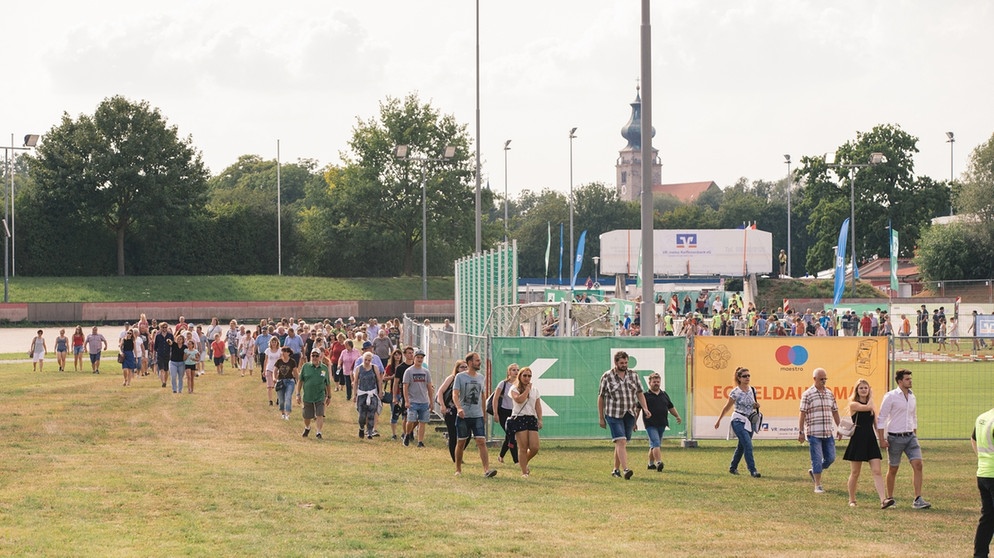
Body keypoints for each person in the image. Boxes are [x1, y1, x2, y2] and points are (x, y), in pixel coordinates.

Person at [876, 368, 931, 509]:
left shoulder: (913, 396)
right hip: (895, 437)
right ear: (900, 381)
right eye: (907, 379)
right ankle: (890, 498)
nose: (910, 381)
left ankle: (918, 499)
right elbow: (881, 418)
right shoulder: (890, 396)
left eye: (910, 378)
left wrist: (914, 433)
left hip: (910, 437)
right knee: (893, 468)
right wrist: (881, 439)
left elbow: (913, 416)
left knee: (918, 465)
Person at [598, 351, 652, 480]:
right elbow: (601, 397)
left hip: (629, 413)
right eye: (621, 363)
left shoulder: (633, 375)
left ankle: (615, 469)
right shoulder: (607, 376)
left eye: (626, 362)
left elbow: (639, 393)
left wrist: (645, 408)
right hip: (613, 413)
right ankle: (626, 469)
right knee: (621, 440)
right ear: (616, 363)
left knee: (621, 442)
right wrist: (601, 417)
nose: (624, 365)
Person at [842, 379, 889, 508]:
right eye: (861, 388)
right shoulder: (854, 404)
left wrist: (882, 439)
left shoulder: (871, 406)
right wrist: (871, 398)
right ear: (857, 390)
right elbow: (867, 407)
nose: (863, 390)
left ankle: (883, 500)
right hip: (858, 440)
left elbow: (876, 424)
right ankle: (852, 499)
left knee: (877, 471)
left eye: (866, 388)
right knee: (855, 472)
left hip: (870, 440)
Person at [453, 352, 497, 478]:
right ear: (470, 362)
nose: (480, 362)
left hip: (477, 415)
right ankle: (458, 469)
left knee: (481, 441)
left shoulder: (481, 377)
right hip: (463, 416)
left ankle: (486, 470)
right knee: (461, 442)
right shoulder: (460, 377)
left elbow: (483, 397)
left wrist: (483, 414)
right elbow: (455, 394)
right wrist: (459, 408)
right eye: (477, 360)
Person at [714, 367, 761, 478]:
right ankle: (753, 470)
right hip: (738, 420)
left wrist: (757, 405)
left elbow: (753, 404)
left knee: (742, 446)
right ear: (739, 378)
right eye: (744, 376)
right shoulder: (735, 392)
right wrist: (719, 420)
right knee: (748, 444)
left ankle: (733, 467)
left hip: (749, 421)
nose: (747, 378)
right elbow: (727, 407)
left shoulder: (753, 390)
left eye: (748, 375)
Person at [798, 367, 840, 493]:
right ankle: (818, 485)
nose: (824, 381)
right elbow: (802, 414)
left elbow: (835, 411)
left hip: (828, 432)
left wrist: (840, 427)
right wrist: (801, 432)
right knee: (816, 458)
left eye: (825, 379)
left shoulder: (829, 393)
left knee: (831, 458)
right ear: (814, 379)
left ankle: (815, 470)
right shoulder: (807, 394)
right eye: (821, 379)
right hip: (813, 432)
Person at [640, 372, 682, 471]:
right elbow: (637, 409)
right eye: (654, 382)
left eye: (658, 382)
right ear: (649, 382)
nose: (656, 383)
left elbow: (670, 407)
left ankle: (650, 464)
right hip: (650, 424)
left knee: (654, 445)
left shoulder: (664, 394)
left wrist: (677, 416)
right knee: (656, 442)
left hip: (662, 423)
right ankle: (659, 462)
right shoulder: (645, 395)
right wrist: (633, 423)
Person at [509, 365, 543, 478]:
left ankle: (524, 462)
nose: (527, 378)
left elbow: (538, 405)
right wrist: (527, 390)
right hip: (519, 418)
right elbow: (519, 400)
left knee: (534, 447)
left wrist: (540, 418)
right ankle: (524, 472)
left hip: (531, 418)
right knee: (523, 447)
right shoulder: (514, 389)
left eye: (529, 376)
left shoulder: (535, 390)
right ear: (520, 376)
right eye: (524, 375)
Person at [972, 405, 994, 557]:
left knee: (988, 516)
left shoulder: (983, 417)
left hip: (984, 473)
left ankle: (980, 554)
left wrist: (982, 459)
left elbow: (973, 439)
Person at [402, 349, 435, 448]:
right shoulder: (409, 371)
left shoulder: (426, 372)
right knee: (411, 420)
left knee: (422, 422)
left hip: (424, 401)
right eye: (418, 357)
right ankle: (407, 434)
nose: (420, 359)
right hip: (413, 401)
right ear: (414, 358)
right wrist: (407, 400)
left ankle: (420, 441)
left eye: (421, 358)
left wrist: (431, 401)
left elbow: (429, 387)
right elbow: (405, 387)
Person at [296, 349, 332, 439]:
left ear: (320, 357)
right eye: (313, 355)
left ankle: (318, 432)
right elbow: (300, 381)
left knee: (320, 414)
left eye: (316, 356)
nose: (314, 357)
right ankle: (307, 427)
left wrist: (329, 396)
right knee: (307, 416)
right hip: (308, 395)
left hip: (320, 395)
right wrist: (298, 394)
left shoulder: (324, 368)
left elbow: (327, 383)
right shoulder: (305, 367)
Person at [435, 360, 465, 463]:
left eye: (466, 367)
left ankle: (458, 452)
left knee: (467, 434)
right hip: (450, 409)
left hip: (462, 410)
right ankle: (455, 459)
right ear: (457, 369)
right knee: (453, 434)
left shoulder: (468, 379)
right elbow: (440, 391)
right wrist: (442, 406)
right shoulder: (452, 378)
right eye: (462, 367)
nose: (464, 369)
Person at [492, 363, 520, 465]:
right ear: (509, 372)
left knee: (509, 436)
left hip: (515, 413)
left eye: (517, 370)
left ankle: (501, 456)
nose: (516, 372)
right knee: (511, 435)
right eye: (513, 370)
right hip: (504, 412)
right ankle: (516, 461)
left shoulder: (519, 385)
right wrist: (496, 413)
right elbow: (495, 399)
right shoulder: (503, 384)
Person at [353, 351, 383, 439]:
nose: (367, 362)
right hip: (362, 393)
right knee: (362, 414)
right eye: (365, 360)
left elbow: (379, 380)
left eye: (369, 360)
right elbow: (355, 382)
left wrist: (380, 391)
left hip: (372, 393)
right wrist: (354, 394)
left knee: (371, 414)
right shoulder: (359, 368)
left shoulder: (375, 368)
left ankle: (370, 431)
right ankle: (361, 427)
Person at [273, 347, 298, 420]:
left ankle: (287, 414)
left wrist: (298, 381)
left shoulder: (292, 361)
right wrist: (274, 378)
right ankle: (283, 413)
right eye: (282, 351)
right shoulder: (279, 361)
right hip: (280, 381)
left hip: (290, 381)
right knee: (281, 400)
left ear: (288, 353)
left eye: (285, 351)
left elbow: (295, 372)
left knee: (288, 397)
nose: (283, 353)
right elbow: (275, 370)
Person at [262, 337, 282, 407]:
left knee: (277, 385)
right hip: (269, 369)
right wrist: (264, 370)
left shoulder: (280, 350)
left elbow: (281, 360)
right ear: (270, 343)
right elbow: (265, 360)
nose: (273, 343)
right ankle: (270, 400)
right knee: (269, 386)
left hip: (277, 369)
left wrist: (281, 369)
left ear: (277, 343)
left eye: (275, 342)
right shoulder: (268, 350)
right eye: (272, 342)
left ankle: (278, 399)